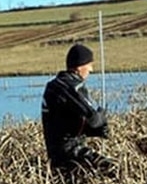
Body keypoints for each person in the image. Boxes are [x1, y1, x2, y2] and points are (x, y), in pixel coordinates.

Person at [41, 43, 113, 171]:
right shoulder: (71, 87)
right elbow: (94, 119)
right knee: (112, 169)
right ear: (80, 66)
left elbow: (66, 124)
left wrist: (93, 132)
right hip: (69, 154)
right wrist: (101, 117)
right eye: (89, 65)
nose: (91, 69)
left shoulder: (56, 85)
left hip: (57, 154)